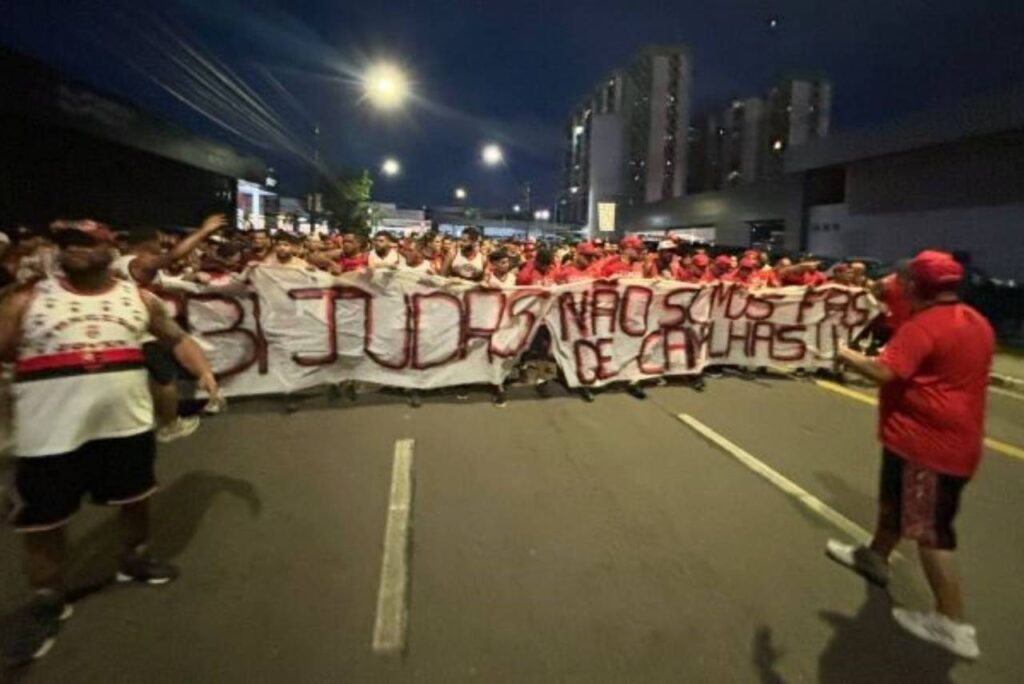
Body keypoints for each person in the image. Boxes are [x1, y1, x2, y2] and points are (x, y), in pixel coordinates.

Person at [0, 220, 222, 665]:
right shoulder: (25, 299)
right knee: (45, 522)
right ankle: (48, 598)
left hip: (126, 426)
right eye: (67, 244)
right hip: (50, 436)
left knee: (135, 497)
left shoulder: (138, 298)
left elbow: (175, 338)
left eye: (85, 242)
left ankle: (132, 559)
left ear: (109, 247)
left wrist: (203, 371)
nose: (74, 250)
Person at [825, 250, 994, 660]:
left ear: (917, 286)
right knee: (894, 506)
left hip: (927, 448)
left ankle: (951, 623)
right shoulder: (975, 322)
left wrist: (846, 355)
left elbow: (885, 371)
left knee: (930, 533)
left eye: (905, 281)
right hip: (941, 441)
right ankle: (875, 557)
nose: (898, 286)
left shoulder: (925, 326)